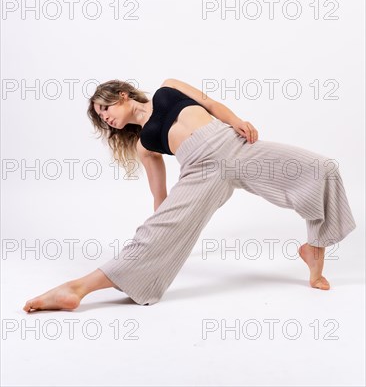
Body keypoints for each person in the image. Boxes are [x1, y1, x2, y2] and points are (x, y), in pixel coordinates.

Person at [23, 78, 357, 312]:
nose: (105, 118)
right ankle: (77, 289)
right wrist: (163, 221)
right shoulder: (144, 145)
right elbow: (160, 196)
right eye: (100, 118)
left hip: (239, 148)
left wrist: (237, 120)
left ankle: (314, 251)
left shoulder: (169, 87)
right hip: (202, 173)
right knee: (156, 233)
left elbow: (209, 103)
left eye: (103, 108)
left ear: (122, 94)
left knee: (321, 168)